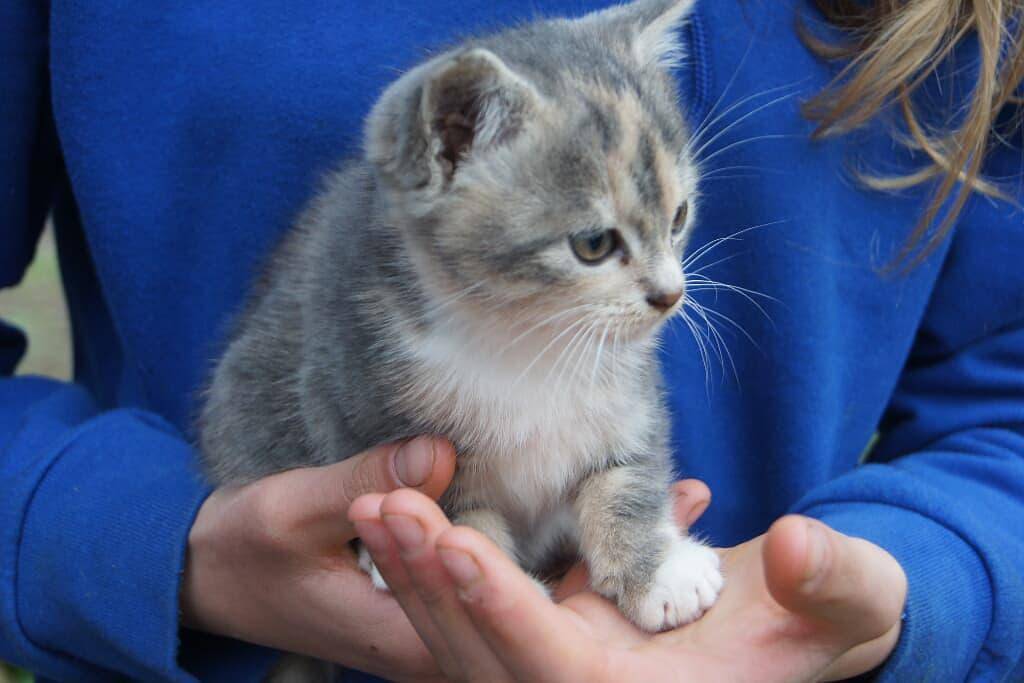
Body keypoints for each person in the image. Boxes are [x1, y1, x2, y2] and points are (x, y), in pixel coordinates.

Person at [2, 0, 1022, 681]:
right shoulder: (396, 297)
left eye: (674, 224)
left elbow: (1002, 406)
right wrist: (157, 545)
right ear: (445, 149)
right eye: (599, 245)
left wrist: (918, 579)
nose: (670, 291)